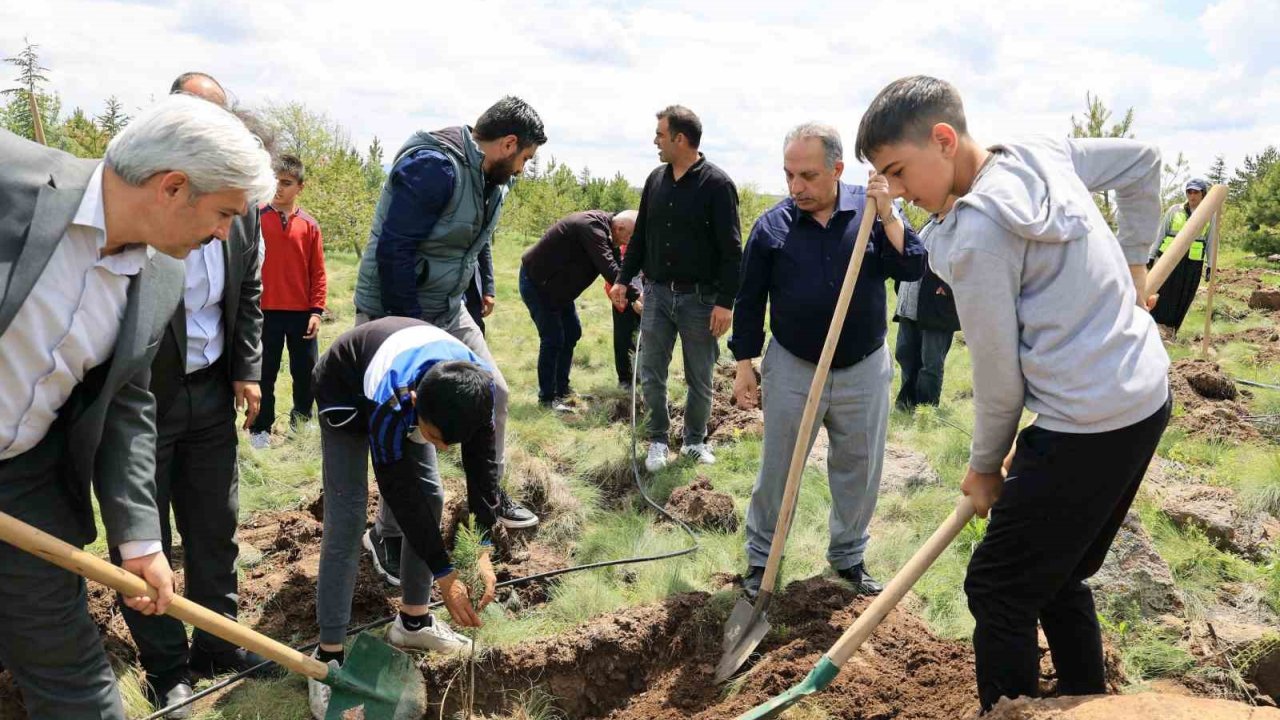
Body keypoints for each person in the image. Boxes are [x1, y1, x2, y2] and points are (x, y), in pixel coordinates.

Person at [857, 76, 1171, 713]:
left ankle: (1012, 710)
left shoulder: (977, 239)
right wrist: (1136, 260)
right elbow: (1144, 161)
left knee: (998, 585)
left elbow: (1001, 382)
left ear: (943, 140)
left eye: (897, 170)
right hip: (1143, 396)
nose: (896, 191)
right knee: (1056, 573)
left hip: (1086, 421)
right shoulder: (1037, 149)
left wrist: (981, 469)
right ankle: (1086, 700)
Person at [0, 93, 274, 720]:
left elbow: (127, 400)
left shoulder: (160, 277)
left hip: (23, 485)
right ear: (172, 187)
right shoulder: (11, 182)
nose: (224, 234)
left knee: (80, 690)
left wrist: (142, 541)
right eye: (224, 213)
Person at [114, 73, 274, 718]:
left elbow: (251, 291)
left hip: (212, 392)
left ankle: (217, 644)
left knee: (215, 525)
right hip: (142, 395)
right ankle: (167, 667)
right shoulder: (144, 200)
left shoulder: (243, 207)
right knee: (144, 534)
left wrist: (247, 367)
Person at [730, 123, 926, 599]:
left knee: (859, 466)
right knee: (779, 468)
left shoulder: (871, 212)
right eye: (789, 175)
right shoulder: (772, 226)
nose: (796, 187)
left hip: (863, 365)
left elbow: (913, 266)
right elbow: (750, 300)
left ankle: (848, 558)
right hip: (794, 365)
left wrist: (890, 216)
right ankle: (762, 560)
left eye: (808, 176)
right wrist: (743, 363)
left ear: (837, 170)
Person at [353, 97, 545, 582]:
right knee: (413, 420)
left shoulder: (492, 181)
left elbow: (475, 242)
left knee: (494, 392)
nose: (524, 168)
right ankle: (387, 533)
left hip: (449, 305)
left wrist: (485, 290)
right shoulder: (433, 167)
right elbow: (395, 250)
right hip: (396, 311)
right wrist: (412, 333)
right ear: (506, 144)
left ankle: (490, 498)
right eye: (524, 157)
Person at [308, 318, 500, 718]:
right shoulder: (393, 399)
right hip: (345, 386)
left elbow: (483, 475)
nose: (443, 448)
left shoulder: (479, 398)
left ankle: (413, 623)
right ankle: (328, 656)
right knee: (348, 514)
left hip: (412, 386)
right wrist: (445, 575)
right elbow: (397, 489)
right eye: (432, 437)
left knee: (432, 494)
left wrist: (483, 548)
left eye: (450, 441)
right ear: (415, 405)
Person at [610, 105, 742, 472]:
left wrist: (725, 303)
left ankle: (694, 442)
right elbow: (639, 241)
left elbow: (732, 252)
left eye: (660, 135)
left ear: (680, 139)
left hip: (701, 300)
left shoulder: (717, 185)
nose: (655, 141)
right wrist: (623, 279)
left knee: (700, 374)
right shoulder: (655, 180)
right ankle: (657, 440)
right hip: (656, 295)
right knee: (651, 370)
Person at [519, 210, 637, 408]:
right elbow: (609, 269)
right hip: (538, 284)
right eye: (630, 237)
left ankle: (562, 389)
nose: (630, 243)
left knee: (572, 332)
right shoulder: (591, 228)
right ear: (620, 228)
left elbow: (618, 267)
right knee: (553, 338)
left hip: (559, 291)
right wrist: (638, 295)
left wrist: (633, 298)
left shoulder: (608, 232)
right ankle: (547, 399)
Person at [250, 154, 328, 447]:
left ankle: (301, 423)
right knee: (263, 374)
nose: (279, 188)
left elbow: (318, 272)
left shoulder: (309, 225)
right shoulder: (255, 218)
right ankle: (260, 429)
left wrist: (316, 311)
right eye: (275, 182)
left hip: (301, 314)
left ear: (300, 187)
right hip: (262, 311)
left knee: (306, 373)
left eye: (286, 183)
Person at [892, 195, 961, 411]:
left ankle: (925, 410)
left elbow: (968, 264)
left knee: (930, 363)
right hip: (910, 305)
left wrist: (947, 289)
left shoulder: (959, 225)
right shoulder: (930, 223)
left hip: (937, 308)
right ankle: (906, 404)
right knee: (906, 355)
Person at [1148, 177, 1217, 334]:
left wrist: (1210, 265)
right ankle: (1154, 326)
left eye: (1196, 192)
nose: (1192, 196)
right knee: (1163, 292)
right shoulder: (1175, 210)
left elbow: (1211, 241)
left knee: (1184, 295)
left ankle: (1172, 329)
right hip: (1169, 258)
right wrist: (1151, 256)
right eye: (1189, 192)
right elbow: (1161, 233)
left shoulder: (1209, 215)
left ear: (1203, 195)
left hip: (1192, 262)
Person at [603, 210, 644, 389]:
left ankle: (643, 376)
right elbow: (612, 275)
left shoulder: (649, 244)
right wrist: (630, 300)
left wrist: (643, 300)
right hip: (623, 299)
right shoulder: (619, 246)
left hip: (647, 299)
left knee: (645, 340)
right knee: (623, 338)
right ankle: (625, 379)